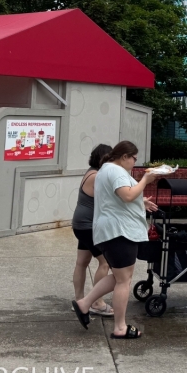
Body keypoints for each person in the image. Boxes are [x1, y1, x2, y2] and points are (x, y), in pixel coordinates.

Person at [72, 141, 161, 339]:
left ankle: (84, 303)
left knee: (120, 277)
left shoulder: (105, 170)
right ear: (124, 156)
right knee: (124, 280)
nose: (135, 162)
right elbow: (127, 195)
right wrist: (146, 180)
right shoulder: (116, 171)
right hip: (120, 232)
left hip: (111, 230)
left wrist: (141, 202)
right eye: (134, 158)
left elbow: (118, 199)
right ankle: (120, 327)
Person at [71, 144, 115, 317]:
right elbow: (111, 200)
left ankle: (79, 300)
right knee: (105, 262)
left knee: (82, 262)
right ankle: (97, 302)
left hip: (81, 224)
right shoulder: (96, 176)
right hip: (88, 226)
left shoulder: (91, 172)